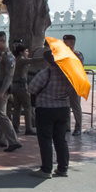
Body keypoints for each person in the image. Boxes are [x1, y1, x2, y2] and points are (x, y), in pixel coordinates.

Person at [29, 50, 74, 178]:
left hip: (46, 109)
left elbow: (31, 88)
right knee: (60, 139)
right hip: (63, 108)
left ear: (47, 60)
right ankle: (63, 168)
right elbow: (72, 89)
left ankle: (46, 169)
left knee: (45, 139)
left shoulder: (45, 73)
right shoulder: (68, 74)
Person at [0, 31, 22, 152]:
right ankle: (1, 139)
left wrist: (2, 91)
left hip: (3, 89)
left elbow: (9, 76)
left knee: (2, 115)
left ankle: (13, 141)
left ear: (3, 41)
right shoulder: (0, 55)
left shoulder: (9, 56)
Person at [11, 44, 44, 135]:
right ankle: (29, 128)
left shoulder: (16, 59)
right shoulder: (21, 60)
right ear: (21, 52)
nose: (28, 53)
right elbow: (33, 60)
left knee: (17, 107)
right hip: (21, 87)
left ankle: (15, 126)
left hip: (15, 86)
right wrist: (46, 57)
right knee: (27, 107)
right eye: (26, 51)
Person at [63, 34, 84, 136]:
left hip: (75, 84)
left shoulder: (77, 55)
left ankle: (78, 127)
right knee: (66, 106)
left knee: (75, 106)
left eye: (65, 42)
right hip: (65, 84)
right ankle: (66, 126)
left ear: (72, 43)